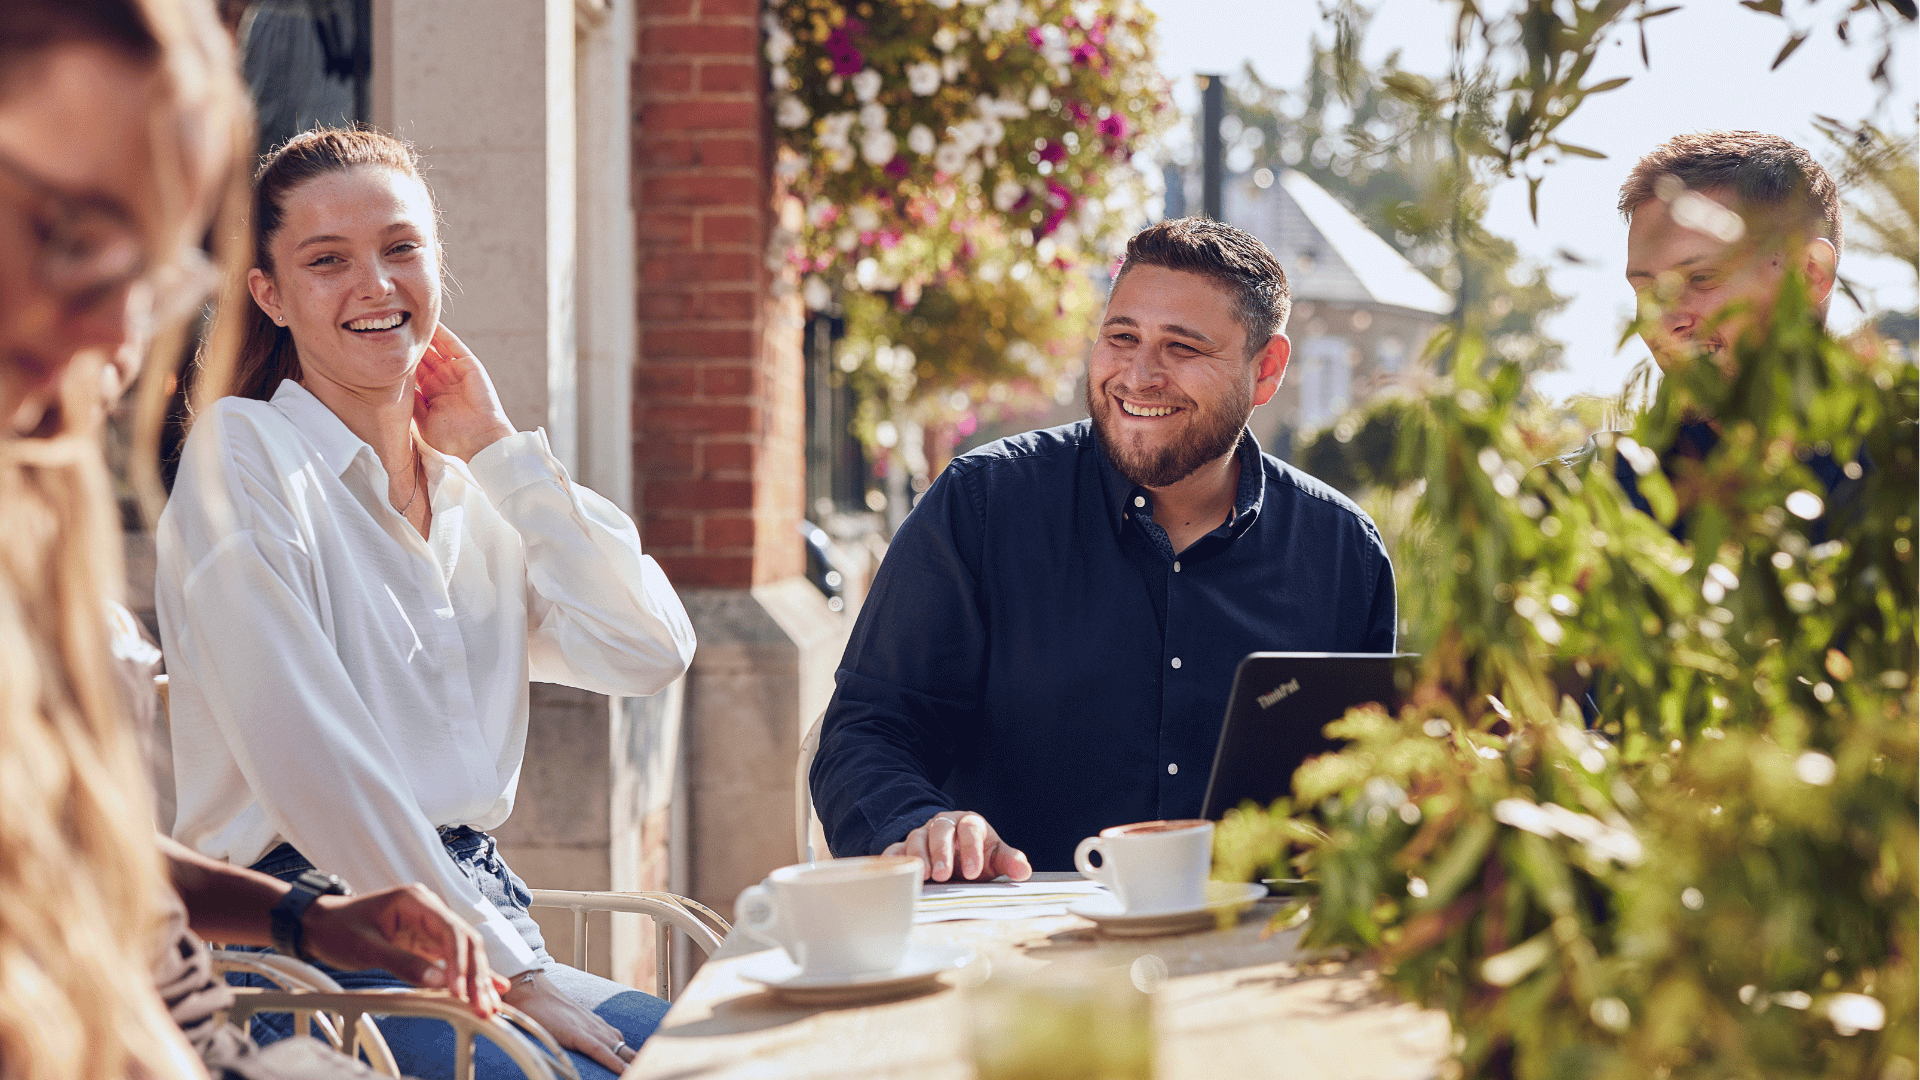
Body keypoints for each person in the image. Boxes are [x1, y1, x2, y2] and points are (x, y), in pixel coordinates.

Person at [0, 4, 504, 1080]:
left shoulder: (37, 518)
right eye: (74, 238)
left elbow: (73, 853)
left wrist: (306, 927)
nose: (118, 345)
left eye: (151, 275)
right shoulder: (245, 460)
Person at [156, 126, 698, 1080]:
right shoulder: (244, 456)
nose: (375, 285)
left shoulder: (475, 495)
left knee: (738, 1056)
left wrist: (499, 451)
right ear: (270, 297)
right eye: (328, 262)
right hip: (309, 961)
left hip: (482, 920)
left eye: (400, 248)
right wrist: (506, 974)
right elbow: (312, 754)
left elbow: (647, 647)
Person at [810, 217, 1398, 882]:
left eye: (1183, 348)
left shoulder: (1344, 552)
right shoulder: (980, 506)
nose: (1140, 375)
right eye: (1122, 337)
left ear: (1265, 371)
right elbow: (867, 732)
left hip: (1250, 950)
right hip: (1012, 957)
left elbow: (1368, 779)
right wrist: (918, 823)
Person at [1616, 131, 1855, 535]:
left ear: (1811, 273)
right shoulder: (1591, 501)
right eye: (1646, 290)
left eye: (1702, 277)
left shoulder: (1900, 475)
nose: (1664, 321)